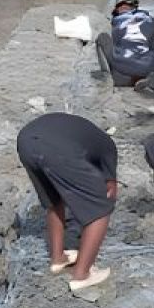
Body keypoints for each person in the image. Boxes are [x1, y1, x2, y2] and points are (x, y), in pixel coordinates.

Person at [17, 113, 118, 292]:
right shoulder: (108, 149)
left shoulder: (88, 138)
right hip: (54, 148)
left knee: (54, 200)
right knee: (101, 207)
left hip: (25, 142)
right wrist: (104, 188)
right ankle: (82, 275)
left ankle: (58, 259)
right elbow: (109, 187)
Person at [95, 0, 154, 86]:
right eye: (121, 7)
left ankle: (107, 75)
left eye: (125, 7)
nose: (123, 8)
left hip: (123, 65)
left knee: (102, 38)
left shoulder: (119, 20)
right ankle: (146, 77)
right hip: (145, 66)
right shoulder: (148, 18)